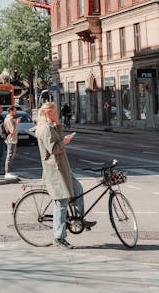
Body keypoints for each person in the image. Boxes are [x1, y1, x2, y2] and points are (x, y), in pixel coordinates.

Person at [35, 101, 95, 248]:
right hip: (55, 170)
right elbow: (53, 148)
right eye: (54, 112)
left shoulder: (50, 126)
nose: (57, 114)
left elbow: (57, 141)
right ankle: (59, 237)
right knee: (61, 204)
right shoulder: (44, 128)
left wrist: (58, 125)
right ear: (48, 113)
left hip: (63, 168)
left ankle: (78, 219)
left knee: (77, 189)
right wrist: (65, 141)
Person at [3, 104, 20, 180]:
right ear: (11, 111)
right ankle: (7, 172)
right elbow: (12, 130)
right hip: (11, 139)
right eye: (15, 111)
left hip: (12, 139)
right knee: (10, 155)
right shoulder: (9, 119)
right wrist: (16, 123)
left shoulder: (10, 118)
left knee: (11, 155)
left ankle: (9, 171)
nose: (16, 112)